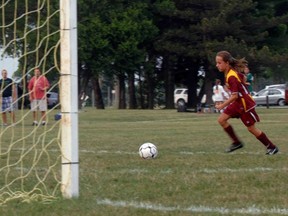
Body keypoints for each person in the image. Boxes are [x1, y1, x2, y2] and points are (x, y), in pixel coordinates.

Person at [215, 51, 279, 155]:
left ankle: (271, 147)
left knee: (251, 128)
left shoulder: (231, 76)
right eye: (217, 63)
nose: (217, 65)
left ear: (227, 63)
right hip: (237, 103)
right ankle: (236, 142)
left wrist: (222, 105)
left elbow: (234, 95)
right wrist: (243, 83)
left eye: (219, 62)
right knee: (221, 120)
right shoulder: (230, 72)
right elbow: (242, 77)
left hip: (245, 104)